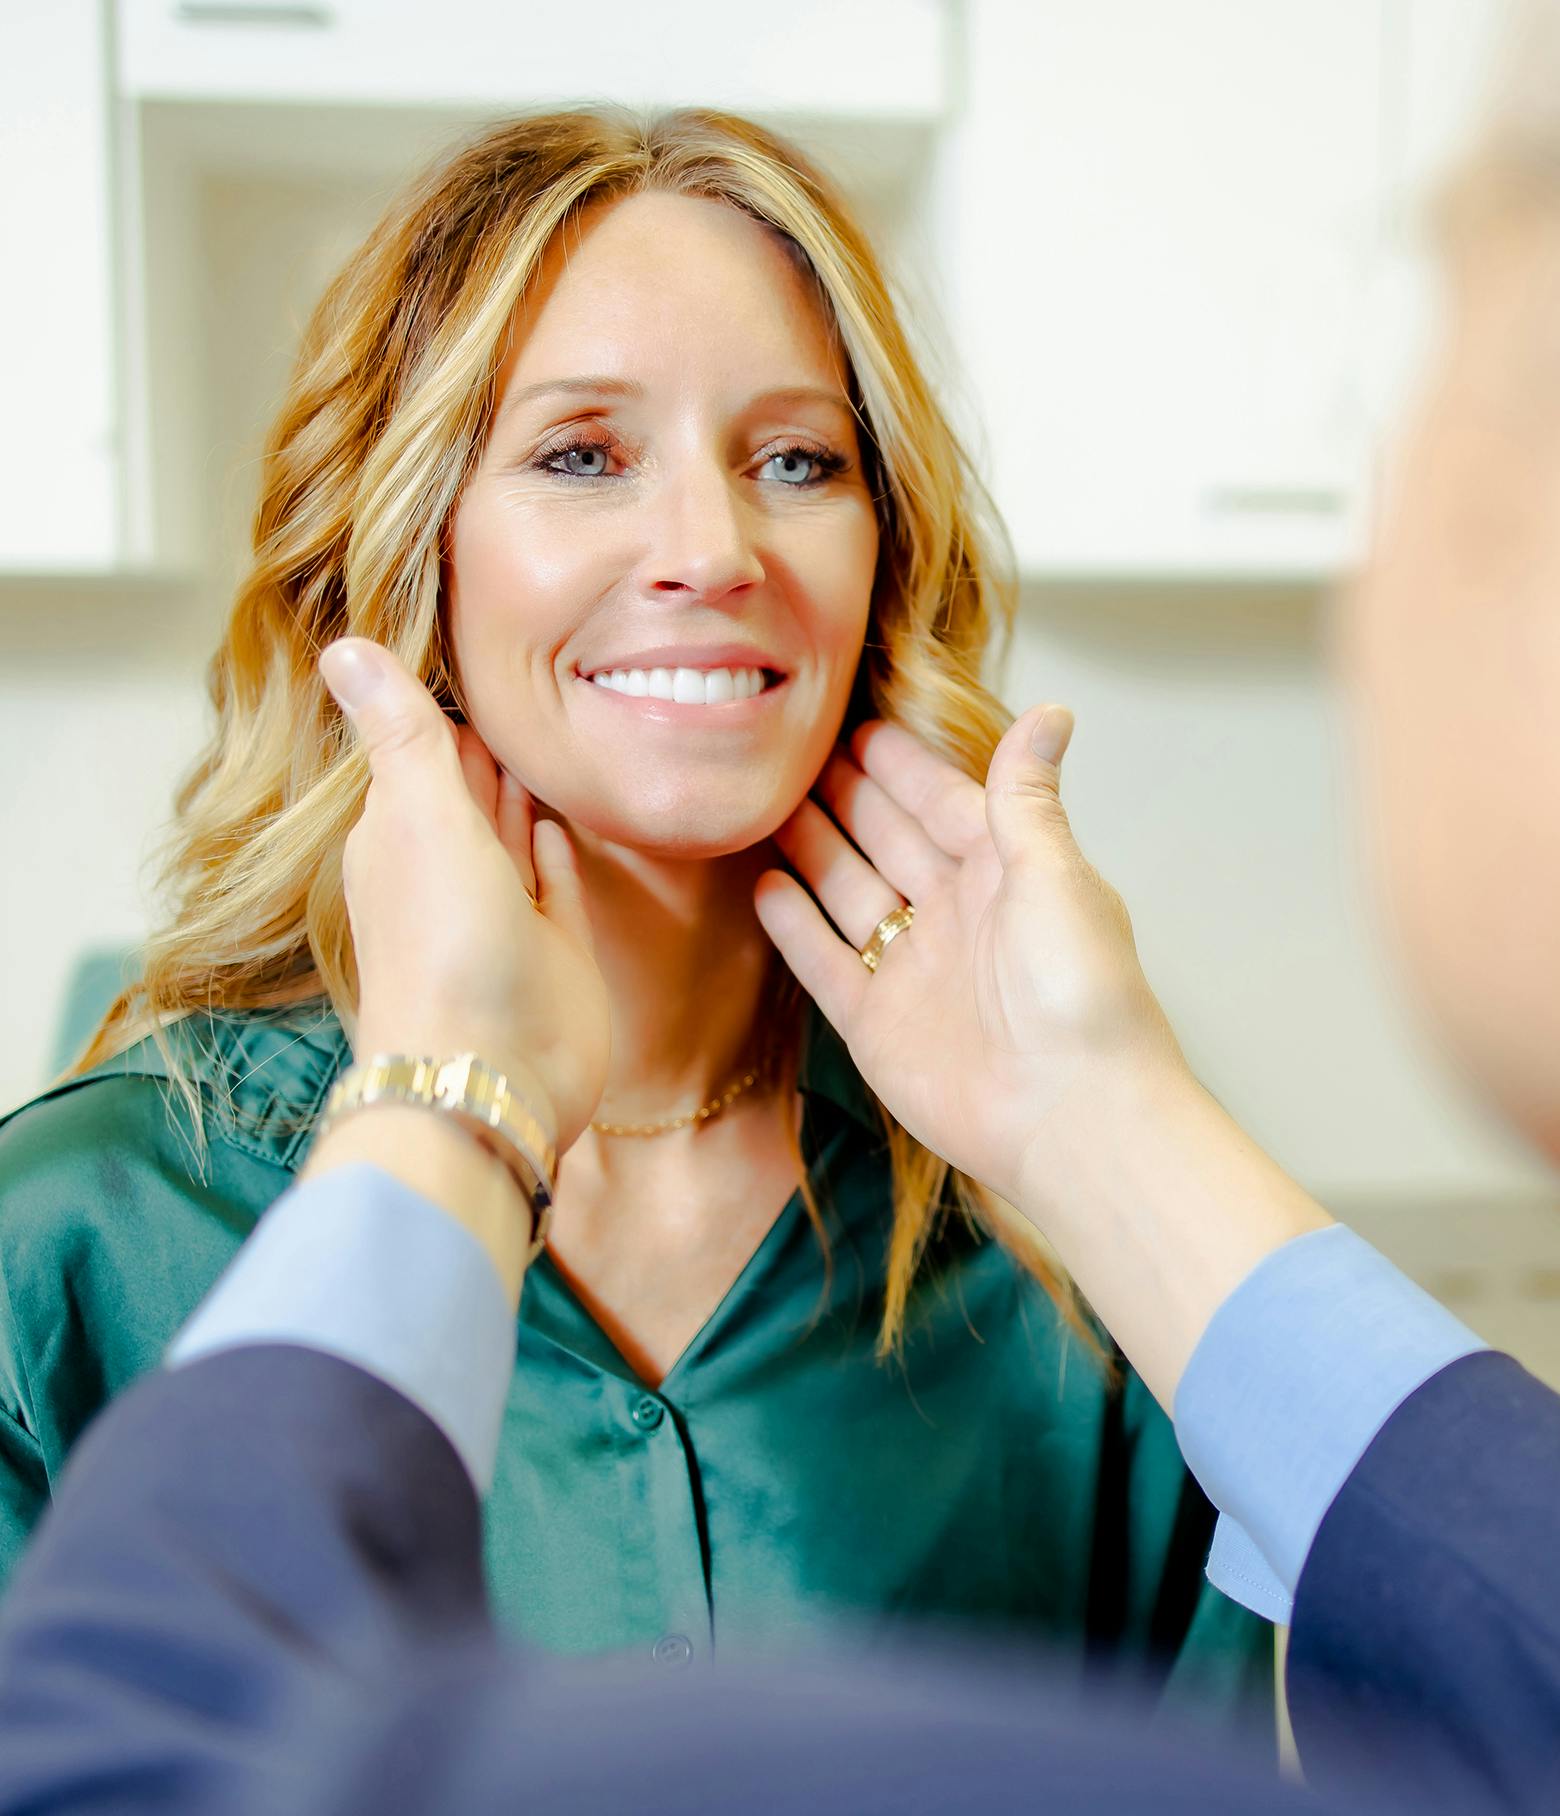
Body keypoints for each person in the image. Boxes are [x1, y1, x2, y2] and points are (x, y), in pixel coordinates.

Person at [0, 107, 1273, 1730]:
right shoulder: (71, 1240)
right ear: (410, 553)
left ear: (882, 557)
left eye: (796, 461)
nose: (714, 549)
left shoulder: (1080, 1248)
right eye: (582, 454)